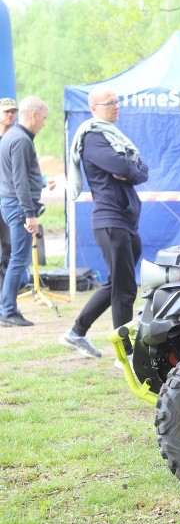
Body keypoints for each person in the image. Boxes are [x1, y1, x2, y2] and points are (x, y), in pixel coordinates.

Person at [59, 85, 149, 359]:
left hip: (124, 220)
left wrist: (130, 170)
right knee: (124, 290)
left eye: (117, 101)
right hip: (111, 221)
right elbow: (125, 168)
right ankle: (127, 355)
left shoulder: (116, 138)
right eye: (110, 102)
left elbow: (141, 170)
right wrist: (129, 169)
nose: (116, 106)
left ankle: (76, 332)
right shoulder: (94, 138)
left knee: (116, 283)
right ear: (95, 108)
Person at [0, 97, 49, 327]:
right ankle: (8, 310)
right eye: (44, 118)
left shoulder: (12, 136)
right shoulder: (20, 140)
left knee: (15, 258)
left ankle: (7, 307)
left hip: (11, 202)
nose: (44, 124)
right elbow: (19, 180)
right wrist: (30, 213)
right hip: (17, 205)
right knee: (18, 258)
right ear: (34, 115)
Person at [0, 98, 17, 291]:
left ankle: (3, 295)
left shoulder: (16, 138)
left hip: (8, 202)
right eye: (6, 111)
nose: (10, 115)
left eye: (13, 111)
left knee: (8, 248)